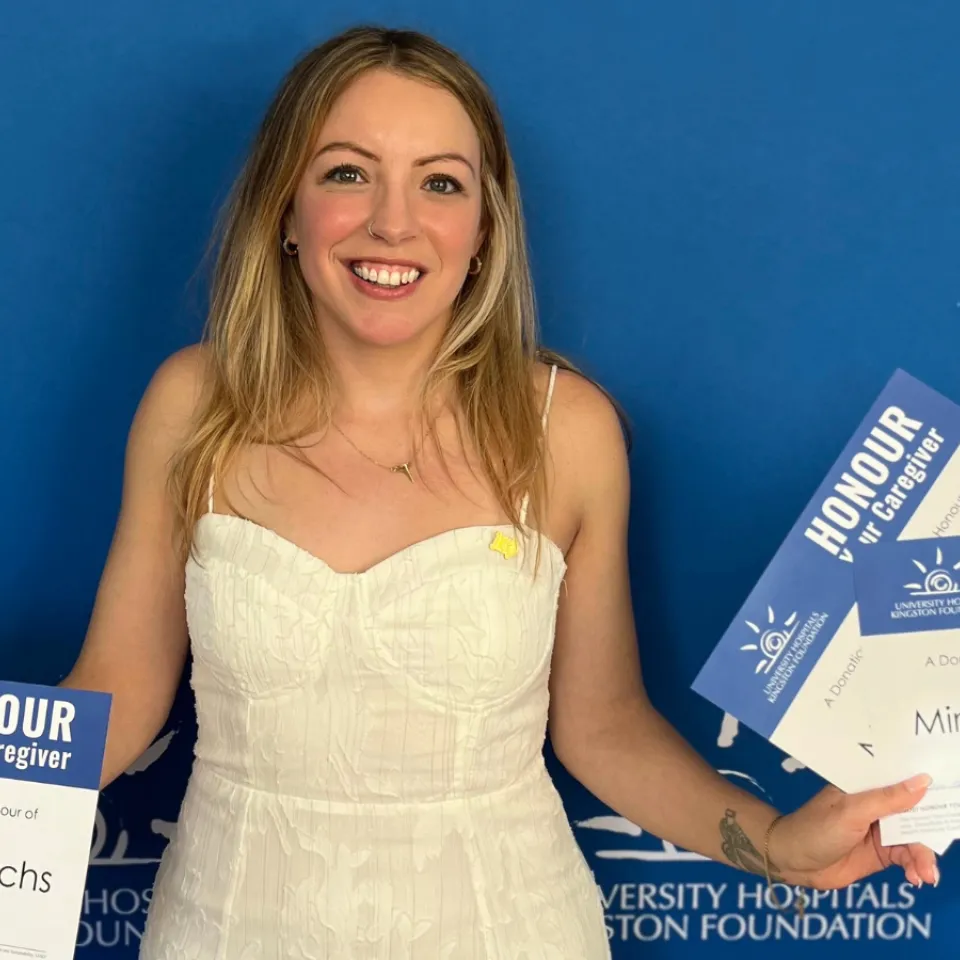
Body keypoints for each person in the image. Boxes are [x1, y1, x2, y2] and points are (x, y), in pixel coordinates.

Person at [61, 24, 938, 959]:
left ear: (484, 228)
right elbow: (116, 693)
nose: (393, 223)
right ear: (284, 207)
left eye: (441, 182)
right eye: (347, 173)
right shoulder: (193, 406)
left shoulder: (570, 432)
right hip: (222, 931)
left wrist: (774, 844)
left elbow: (603, 728)